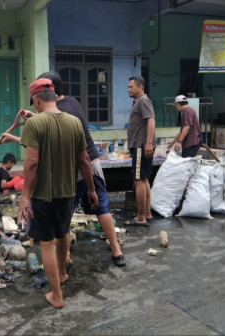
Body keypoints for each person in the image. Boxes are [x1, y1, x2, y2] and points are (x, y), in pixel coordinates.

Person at [17, 78, 99, 309]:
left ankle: (57, 296)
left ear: (37, 100)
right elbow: (85, 160)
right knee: (64, 232)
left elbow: (32, 163)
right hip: (68, 192)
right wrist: (91, 190)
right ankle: (62, 273)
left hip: (43, 195)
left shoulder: (35, 124)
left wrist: (24, 196)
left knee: (46, 243)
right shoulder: (74, 123)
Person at [37, 71, 126, 267]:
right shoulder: (72, 102)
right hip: (93, 161)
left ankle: (65, 256)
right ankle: (116, 250)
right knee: (102, 207)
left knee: (65, 213)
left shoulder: (58, 112)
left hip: (75, 167)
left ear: (49, 90)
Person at [125, 76, 156, 227]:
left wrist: (148, 143)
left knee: (138, 181)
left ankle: (141, 217)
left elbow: (151, 120)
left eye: (131, 87)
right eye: (128, 87)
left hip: (140, 146)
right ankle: (147, 213)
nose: (129, 89)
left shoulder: (143, 100)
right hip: (141, 146)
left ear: (140, 87)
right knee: (144, 180)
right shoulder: (139, 101)